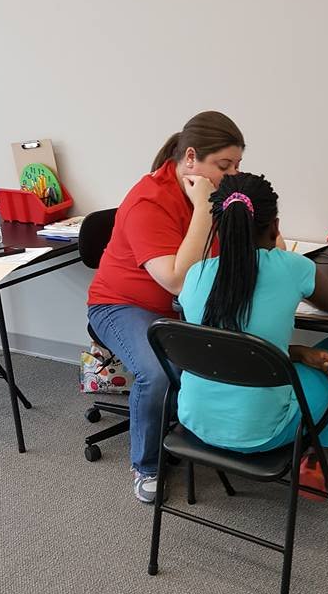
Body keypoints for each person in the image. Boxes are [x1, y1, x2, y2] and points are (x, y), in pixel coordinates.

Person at [87, 110, 245, 503]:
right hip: (121, 305)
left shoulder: (212, 194)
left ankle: (197, 434)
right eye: (224, 166)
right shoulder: (149, 201)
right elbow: (175, 278)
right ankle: (147, 466)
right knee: (157, 376)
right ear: (190, 158)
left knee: (218, 357)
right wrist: (207, 208)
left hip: (177, 307)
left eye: (237, 165)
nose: (232, 175)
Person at [178, 173, 328, 485]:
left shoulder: (194, 276)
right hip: (264, 434)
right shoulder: (292, 266)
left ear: (218, 226)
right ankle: (317, 457)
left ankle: (314, 453)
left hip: (194, 421)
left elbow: (224, 347)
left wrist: (298, 353)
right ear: (275, 226)